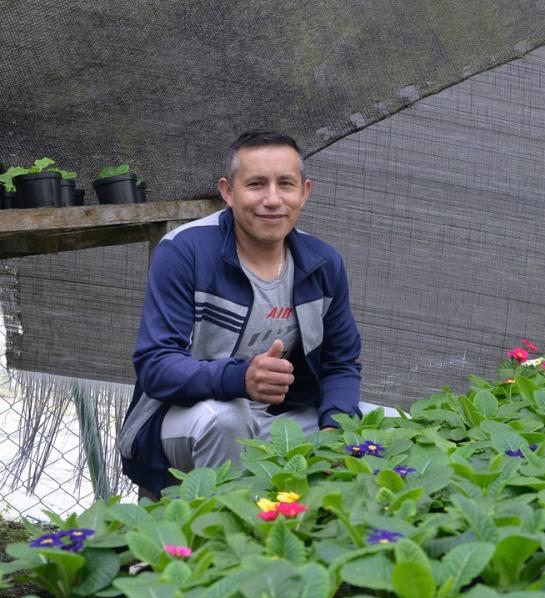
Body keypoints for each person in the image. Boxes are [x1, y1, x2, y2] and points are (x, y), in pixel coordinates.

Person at [117, 129, 362, 497]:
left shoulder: (323, 263)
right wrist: (242, 378)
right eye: (256, 184)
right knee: (228, 418)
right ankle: (221, 542)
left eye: (286, 184)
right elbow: (156, 366)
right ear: (228, 192)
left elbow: (341, 363)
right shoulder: (186, 251)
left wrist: (333, 433)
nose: (273, 199)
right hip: (185, 418)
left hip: (280, 418)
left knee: (384, 427)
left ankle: (317, 537)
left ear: (305, 192)